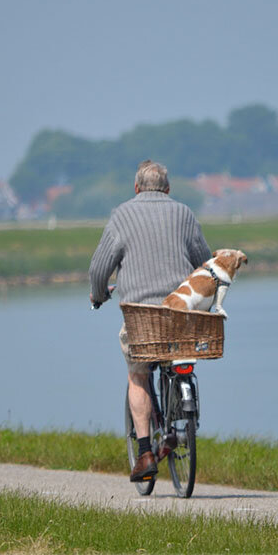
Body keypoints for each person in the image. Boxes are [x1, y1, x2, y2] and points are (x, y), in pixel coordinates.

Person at [89, 160, 211, 482]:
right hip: (180, 315)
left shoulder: (121, 215)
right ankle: (181, 418)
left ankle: (144, 452)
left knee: (138, 375)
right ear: (168, 189)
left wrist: (99, 294)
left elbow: (99, 269)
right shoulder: (184, 213)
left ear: (136, 188)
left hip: (141, 318)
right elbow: (205, 264)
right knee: (178, 357)